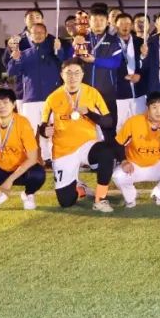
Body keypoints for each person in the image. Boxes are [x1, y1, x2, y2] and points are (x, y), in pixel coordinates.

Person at [39, 58, 119, 212]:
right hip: (63, 151)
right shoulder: (53, 98)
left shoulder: (92, 93)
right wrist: (45, 131)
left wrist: (89, 113)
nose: (72, 77)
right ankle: (79, 187)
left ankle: (100, 199)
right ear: (62, 74)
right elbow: (42, 126)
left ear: (83, 74)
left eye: (77, 73)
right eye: (68, 73)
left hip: (87, 145)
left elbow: (108, 122)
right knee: (66, 201)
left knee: (106, 153)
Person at [112, 92, 160, 208]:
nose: (159, 111)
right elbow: (118, 144)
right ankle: (130, 197)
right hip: (134, 166)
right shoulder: (134, 122)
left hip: (157, 165)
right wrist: (124, 161)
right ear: (147, 108)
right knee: (118, 175)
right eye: (154, 107)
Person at [6, 22, 63, 157]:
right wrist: (15, 59)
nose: (38, 35)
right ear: (30, 35)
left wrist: (59, 50)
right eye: (35, 33)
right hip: (30, 99)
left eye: (41, 32)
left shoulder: (53, 52)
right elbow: (11, 72)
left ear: (46, 34)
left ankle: (48, 157)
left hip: (51, 99)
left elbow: (65, 64)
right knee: (29, 131)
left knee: (49, 130)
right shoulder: (24, 54)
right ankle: (29, 158)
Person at [113, 13, 147, 130]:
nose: (125, 26)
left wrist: (140, 75)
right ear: (115, 25)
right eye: (121, 23)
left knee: (140, 126)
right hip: (119, 93)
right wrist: (121, 75)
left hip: (139, 91)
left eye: (128, 23)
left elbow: (148, 65)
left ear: (132, 25)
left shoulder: (141, 42)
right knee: (121, 127)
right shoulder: (110, 42)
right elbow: (107, 66)